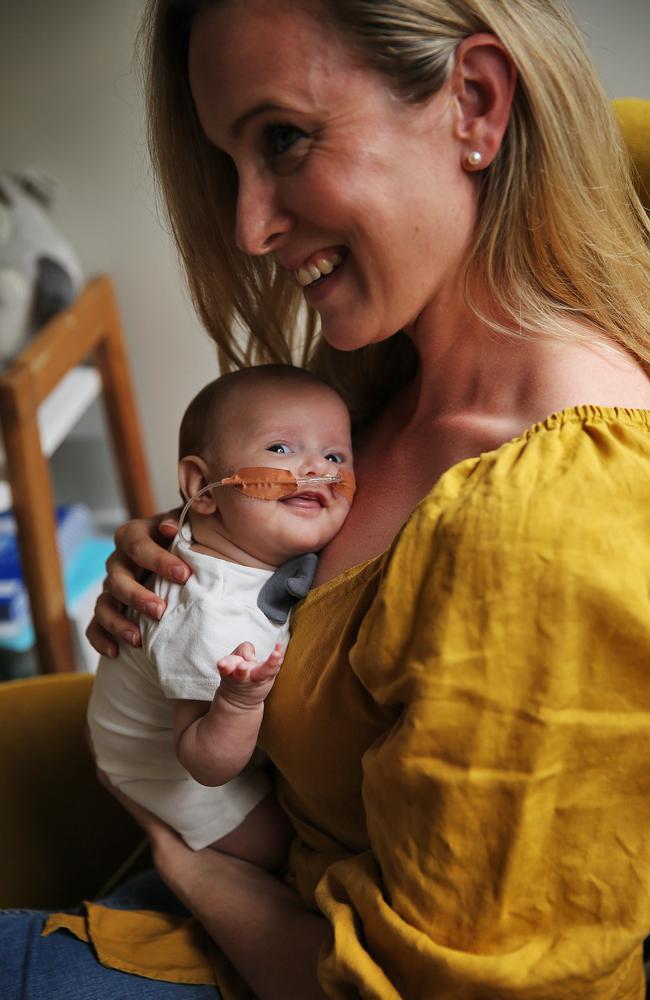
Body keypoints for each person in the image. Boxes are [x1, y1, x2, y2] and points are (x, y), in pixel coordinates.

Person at [2, 0, 649, 997]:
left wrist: (196, 870)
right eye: (230, 162)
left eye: (285, 139)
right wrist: (182, 570)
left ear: (473, 104)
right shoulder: (382, 377)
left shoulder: (548, 522)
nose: (248, 226)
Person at [87, 364, 354, 868]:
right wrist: (238, 700)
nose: (317, 468)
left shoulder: (247, 537)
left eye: (336, 455)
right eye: (281, 449)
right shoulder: (207, 617)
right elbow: (205, 764)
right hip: (165, 770)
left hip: (185, 733)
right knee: (281, 854)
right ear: (202, 486)